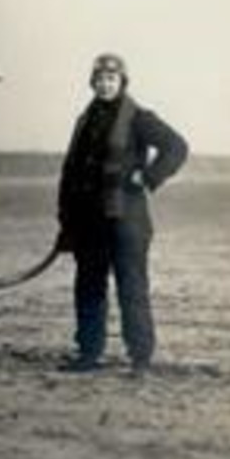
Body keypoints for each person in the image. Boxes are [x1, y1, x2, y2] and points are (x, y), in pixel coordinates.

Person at [56, 53, 188, 375]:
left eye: (111, 79)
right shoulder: (84, 121)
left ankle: (140, 358)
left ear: (122, 82)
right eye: (100, 79)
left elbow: (176, 147)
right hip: (89, 223)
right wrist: (66, 220)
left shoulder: (139, 118)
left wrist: (149, 176)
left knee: (132, 288)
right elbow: (71, 172)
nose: (105, 84)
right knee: (88, 287)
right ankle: (88, 353)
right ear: (93, 82)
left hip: (127, 223)